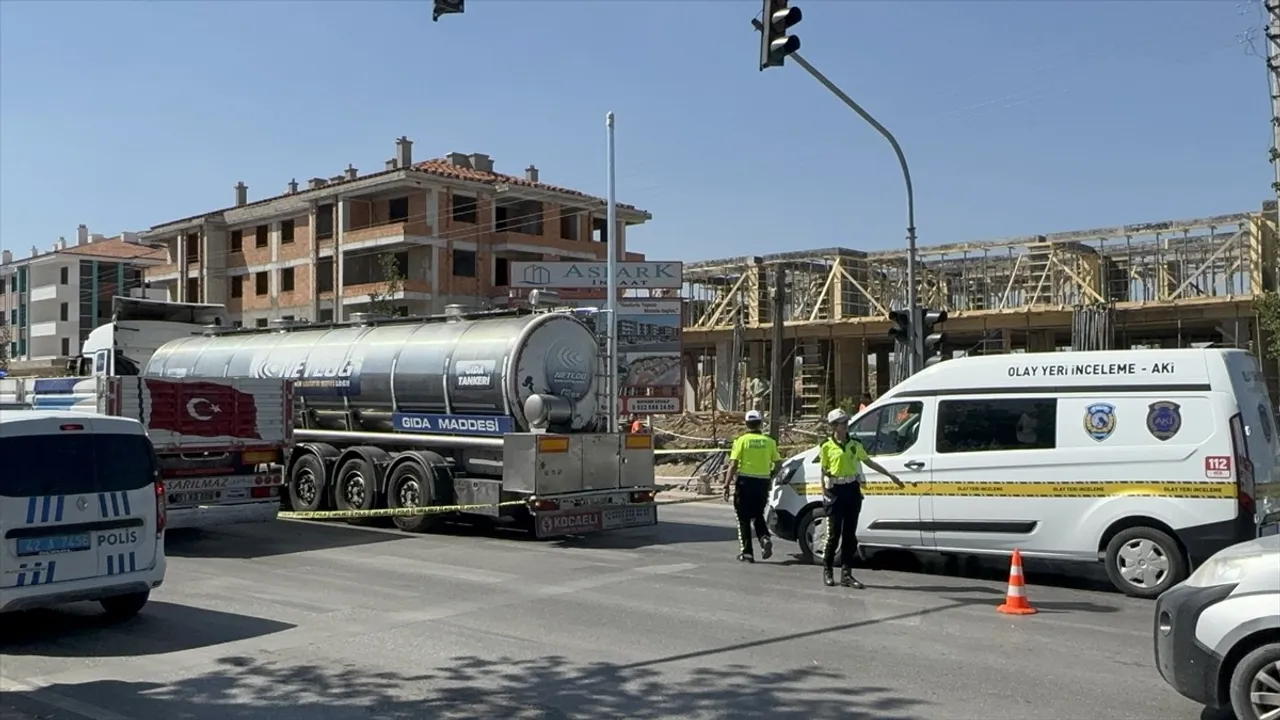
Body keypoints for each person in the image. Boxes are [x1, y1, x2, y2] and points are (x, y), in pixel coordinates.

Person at [819, 408, 905, 588]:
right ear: (834, 426)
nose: (846, 425)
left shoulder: (855, 444)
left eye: (846, 422)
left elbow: (868, 462)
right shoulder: (826, 446)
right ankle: (827, 570)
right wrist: (825, 493)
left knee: (849, 535)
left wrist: (890, 475)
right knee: (833, 535)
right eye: (842, 423)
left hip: (851, 489)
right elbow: (824, 470)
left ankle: (846, 575)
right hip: (835, 490)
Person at [723, 409, 782, 563]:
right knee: (757, 514)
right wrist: (771, 474)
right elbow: (778, 462)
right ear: (760, 424)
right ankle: (764, 538)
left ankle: (747, 552)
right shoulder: (769, 442)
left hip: (745, 482)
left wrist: (726, 484)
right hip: (762, 482)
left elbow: (733, 464)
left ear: (747, 424)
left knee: (742, 518)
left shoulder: (741, 441)